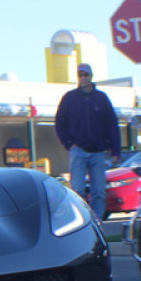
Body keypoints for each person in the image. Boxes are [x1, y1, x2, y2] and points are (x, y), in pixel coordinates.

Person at [55, 63, 121, 220]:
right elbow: (59, 123)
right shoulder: (69, 98)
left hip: (98, 151)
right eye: (80, 75)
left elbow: (112, 124)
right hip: (78, 150)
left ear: (91, 76)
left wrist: (115, 150)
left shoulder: (101, 98)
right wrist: (69, 143)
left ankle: (97, 221)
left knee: (99, 190)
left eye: (85, 75)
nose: (83, 78)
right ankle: (82, 220)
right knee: (77, 190)